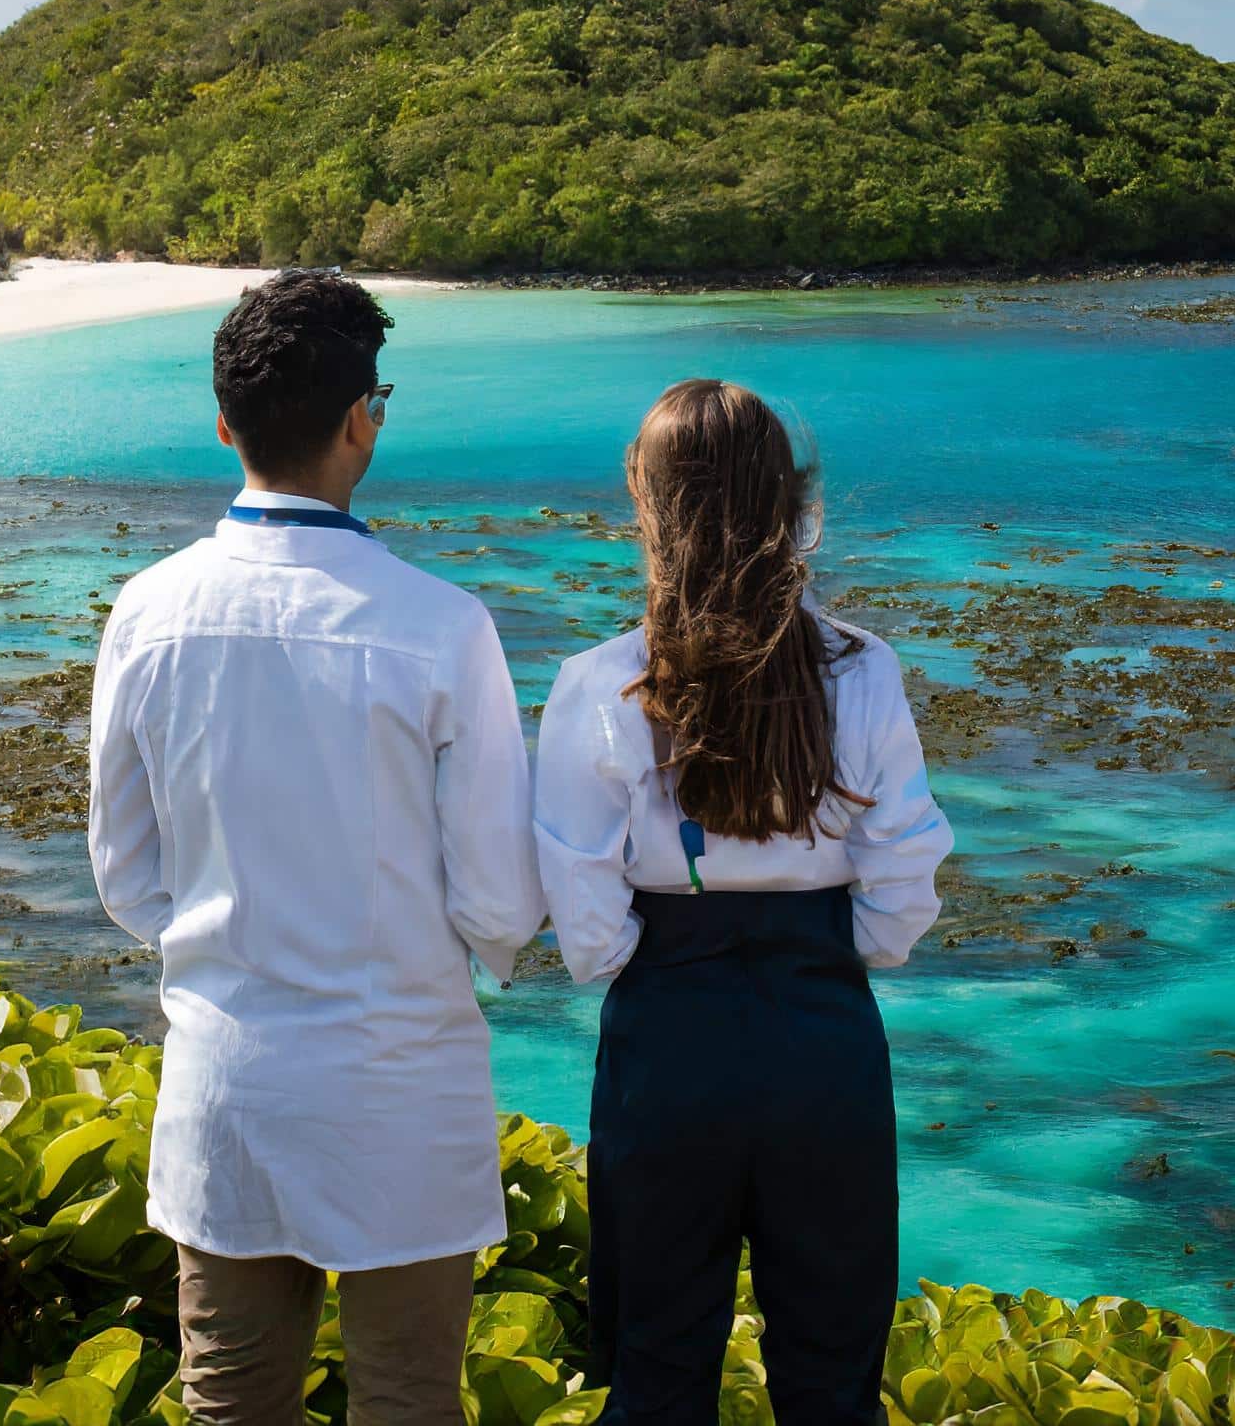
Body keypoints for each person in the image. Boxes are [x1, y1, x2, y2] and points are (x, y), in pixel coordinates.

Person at [88, 269, 545, 1426]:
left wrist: (223, 933)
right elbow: (497, 897)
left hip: (226, 1079)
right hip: (401, 1080)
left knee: (230, 1407)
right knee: (406, 1404)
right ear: (362, 422)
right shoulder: (441, 623)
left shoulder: (145, 610)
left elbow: (126, 873)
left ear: (224, 421)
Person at [533, 378, 953, 1426]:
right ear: (788, 501)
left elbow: (584, 923)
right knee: (829, 1373)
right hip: (822, 1031)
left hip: (666, 1028)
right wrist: (827, 946)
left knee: (657, 1366)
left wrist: (666, 950)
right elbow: (903, 881)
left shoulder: (597, 682)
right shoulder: (860, 667)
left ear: (646, 504)